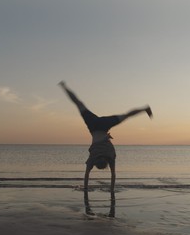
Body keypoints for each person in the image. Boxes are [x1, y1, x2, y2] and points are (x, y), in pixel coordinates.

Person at [59, 81, 152, 217]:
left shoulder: (109, 155)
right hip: (93, 125)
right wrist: (87, 187)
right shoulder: (92, 159)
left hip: (104, 126)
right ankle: (64, 87)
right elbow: (86, 176)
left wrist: (111, 189)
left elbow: (113, 175)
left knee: (126, 115)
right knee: (79, 104)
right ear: (97, 163)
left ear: (105, 163)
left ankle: (144, 109)